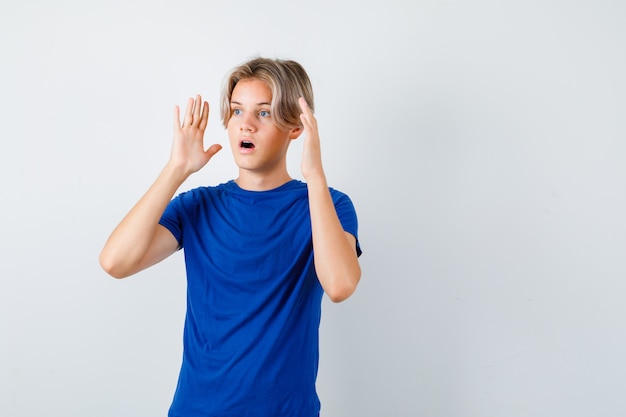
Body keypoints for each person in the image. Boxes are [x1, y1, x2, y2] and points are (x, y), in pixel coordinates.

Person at [99, 57, 362, 417]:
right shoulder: (198, 205)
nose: (246, 125)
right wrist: (177, 169)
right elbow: (115, 262)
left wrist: (314, 174)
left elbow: (340, 285)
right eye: (237, 111)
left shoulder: (328, 206)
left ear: (296, 127)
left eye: (264, 113)